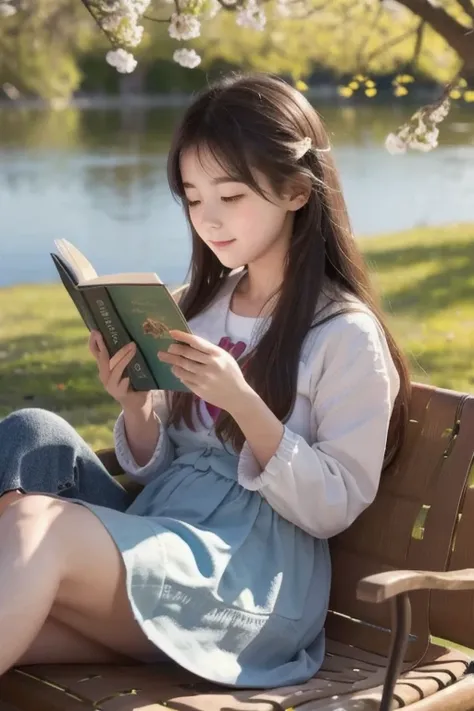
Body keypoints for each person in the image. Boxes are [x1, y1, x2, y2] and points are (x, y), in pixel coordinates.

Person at [0, 72, 410, 686]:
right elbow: (160, 468)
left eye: (231, 195)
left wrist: (244, 404)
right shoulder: (193, 305)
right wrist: (137, 409)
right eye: (193, 198)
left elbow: (334, 506)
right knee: (30, 435)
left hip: (252, 580)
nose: (209, 219)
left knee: (36, 524)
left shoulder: (344, 334)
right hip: (167, 533)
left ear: (297, 190)